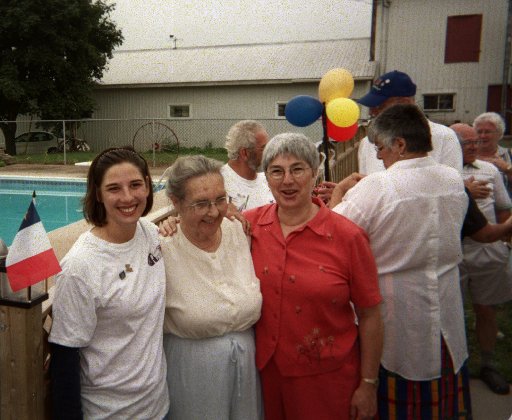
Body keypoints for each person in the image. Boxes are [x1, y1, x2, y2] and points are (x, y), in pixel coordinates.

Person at [331, 104, 472, 419]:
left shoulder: (380, 185)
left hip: (397, 309)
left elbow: (335, 232)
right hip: (446, 298)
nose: (379, 157)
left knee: (398, 389)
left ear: (400, 145)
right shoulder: (452, 178)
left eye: (380, 147)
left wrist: (339, 192)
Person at [244, 133, 383, 420]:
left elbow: (370, 314)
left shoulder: (348, 236)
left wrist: (368, 384)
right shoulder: (248, 226)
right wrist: (172, 223)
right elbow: (202, 228)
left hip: (327, 379)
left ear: (314, 173)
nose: (287, 181)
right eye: (276, 171)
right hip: (264, 376)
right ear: (266, 178)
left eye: (297, 169)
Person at [49, 147, 169, 419]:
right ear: (98, 194)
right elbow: (65, 356)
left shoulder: (149, 233)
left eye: (136, 185)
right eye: (114, 188)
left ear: (148, 187)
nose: (128, 197)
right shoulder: (80, 267)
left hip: (157, 405)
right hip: (110, 412)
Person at [161, 155, 263, 419]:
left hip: (246, 371)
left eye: (220, 199)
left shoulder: (239, 231)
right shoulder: (162, 247)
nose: (214, 211)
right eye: (201, 204)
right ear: (176, 203)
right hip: (192, 376)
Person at [451, 122, 512, 395]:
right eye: (467, 143)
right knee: (452, 314)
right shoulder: (445, 173)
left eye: (475, 141)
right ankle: (455, 368)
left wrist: (505, 241)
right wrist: (463, 190)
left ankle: (487, 364)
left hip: (487, 251)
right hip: (454, 253)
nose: (474, 146)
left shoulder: (490, 170)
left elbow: (502, 209)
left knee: (485, 309)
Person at [356, 70, 462, 175]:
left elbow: (452, 184)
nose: (371, 112)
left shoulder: (445, 137)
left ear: (405, 103)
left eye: (378, 106)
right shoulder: (367, 144)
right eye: (370, 106)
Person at [222, 120, 275, 210]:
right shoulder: (219, 184)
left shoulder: (270, 181)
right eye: (263, 148)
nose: (270, 152)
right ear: (245, 153)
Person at [474, 112, 512, 197]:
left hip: (503, 208)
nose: (482, 136)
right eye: (479, 132)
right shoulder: (466, 156)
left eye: (487, 132)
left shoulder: (509, 154)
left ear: (499, 134)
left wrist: (507, 168)